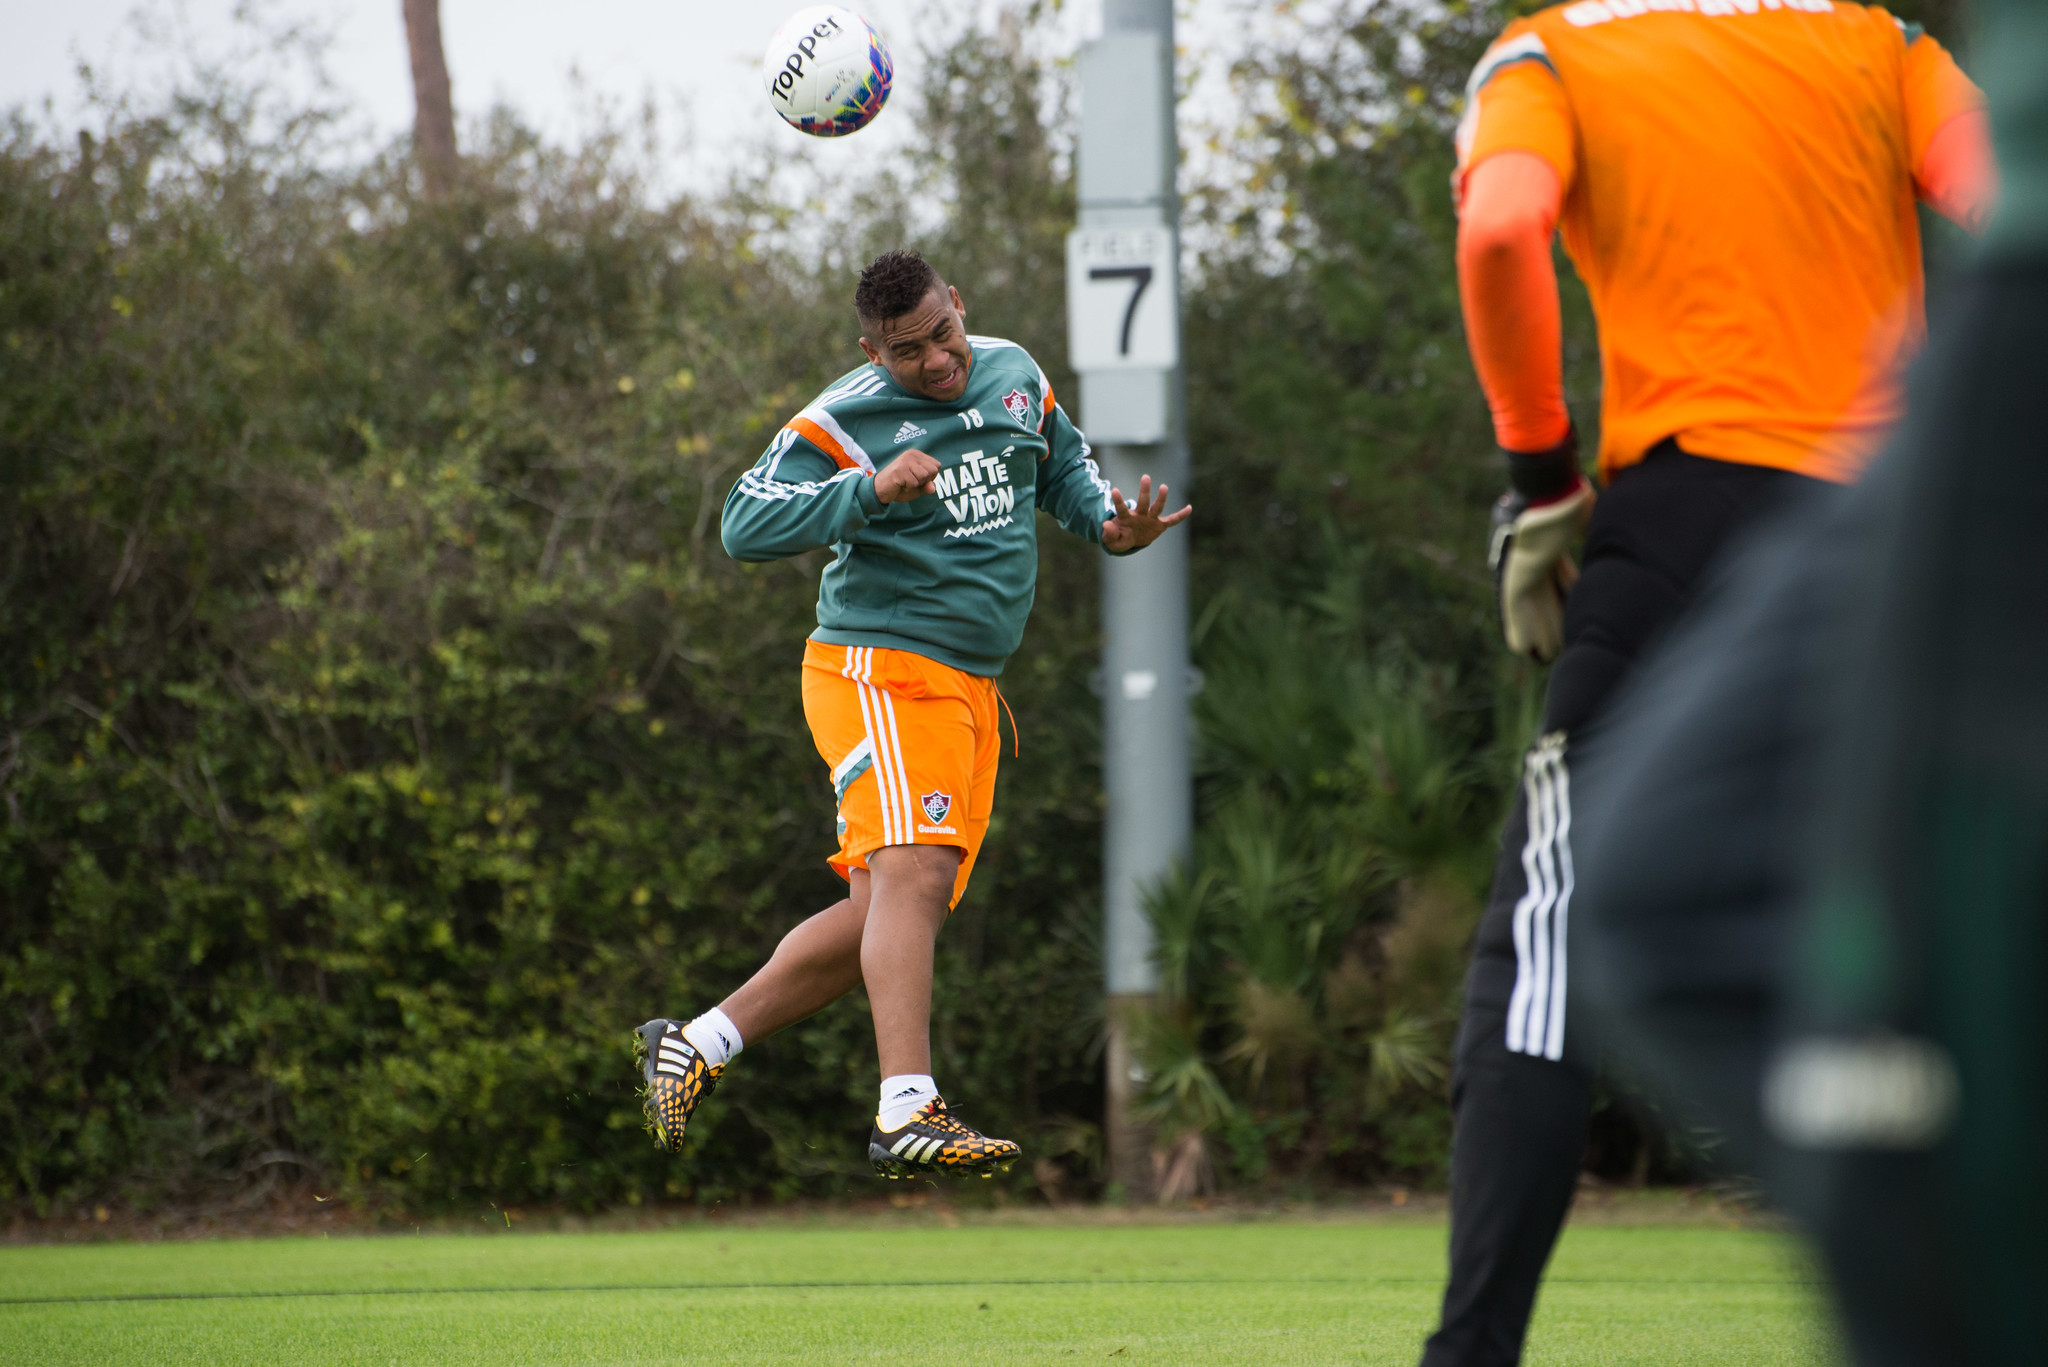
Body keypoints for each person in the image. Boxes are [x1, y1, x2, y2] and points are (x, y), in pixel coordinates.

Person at [1423, 3, 1993, 1362]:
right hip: (1893, 550)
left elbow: (1502, 229)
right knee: (1923, 949)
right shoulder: (1877, 42)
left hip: (1680, 528)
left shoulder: (1551, 51)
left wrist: (1541, 479)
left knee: (1543, 946)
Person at [633, 249, 1190, 1179]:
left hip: (970, 688)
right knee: (917, 876)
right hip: (878, 668)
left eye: (942, 334)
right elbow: (742, 519)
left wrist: (1108, 526)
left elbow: (1061, 468)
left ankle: (698, 1044)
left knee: (888, 913)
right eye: (907, 352)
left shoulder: (1014, 371)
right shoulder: (847, 414)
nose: (935, 362)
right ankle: (906, 1109)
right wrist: (868, 489)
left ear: (958, 306)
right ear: (872, 349)